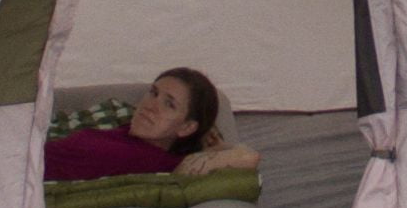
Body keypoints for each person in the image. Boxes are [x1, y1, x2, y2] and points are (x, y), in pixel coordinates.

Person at [42, 67, 259, 183]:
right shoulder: (133, 134)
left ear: (186, 128)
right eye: (154, 93)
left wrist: (216, 149)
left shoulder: (154, 160)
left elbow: (247, 157)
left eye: (169, 104)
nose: (150, 105)